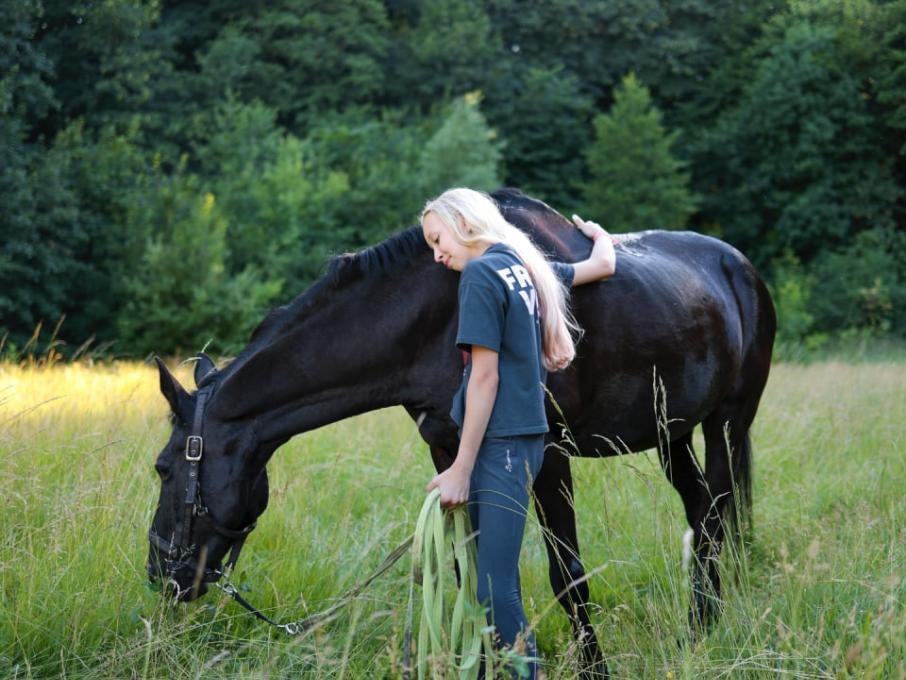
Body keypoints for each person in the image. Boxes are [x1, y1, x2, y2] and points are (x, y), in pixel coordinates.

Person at [420, 188, 616, 678]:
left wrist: (460, 468)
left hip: (501, 444)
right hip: (520, 437)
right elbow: (600, 267)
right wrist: (599, 237)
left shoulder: (483, 274)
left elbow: (486, 377)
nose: (437, 253)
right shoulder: (520, 262)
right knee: (491, 581)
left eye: (437, 238)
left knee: (493, 586)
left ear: (462, 221)